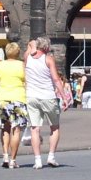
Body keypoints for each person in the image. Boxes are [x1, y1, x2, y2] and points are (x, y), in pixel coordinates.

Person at [25, 36, 66, 169]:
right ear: (47, 47)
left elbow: (29, 44)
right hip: (48, 96)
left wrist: (32, 47)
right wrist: (64, 97)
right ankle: (51, 156)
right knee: (54, 127)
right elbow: (56, 79)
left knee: (35, 129)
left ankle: (37, 160)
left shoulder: (27, 57)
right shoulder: (48, 59)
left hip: (31, 96)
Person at [0, 41, 28, 169]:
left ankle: (5, 155)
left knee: (5, 129)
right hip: (18, 98)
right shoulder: (22, 65)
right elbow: (27, 83)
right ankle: (13, 159)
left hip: (2, 99)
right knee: (16, 130)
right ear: (18, 53)